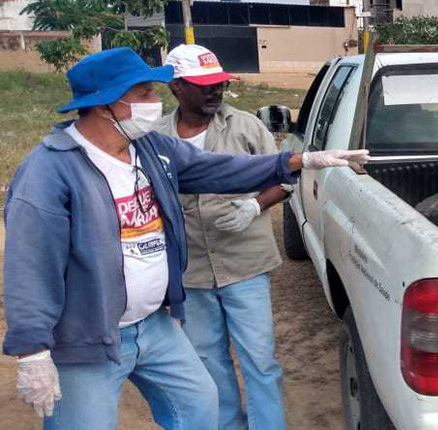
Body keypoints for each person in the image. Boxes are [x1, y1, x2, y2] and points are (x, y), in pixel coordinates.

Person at [2, 47, 369, 430]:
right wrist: (32, 351)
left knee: (198, 405)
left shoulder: (147, 149)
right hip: (89, 337)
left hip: (154, 324)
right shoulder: (50, 172)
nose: (154, 101)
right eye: (144, 93)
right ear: (106, 103)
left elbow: (218, 168)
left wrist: (298, 161)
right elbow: (30, 266)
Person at [155, 44, 289, 430]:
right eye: (205, 85)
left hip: (245, 264)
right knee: (209, 359)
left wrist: (255, 206)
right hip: (190, 270)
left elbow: (284, 178)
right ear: (177, 87)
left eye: (220, 84)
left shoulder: (246, 126)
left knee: (260, 360)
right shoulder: (156, 136)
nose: (217, 92)